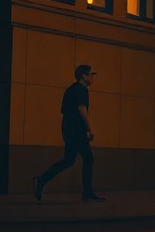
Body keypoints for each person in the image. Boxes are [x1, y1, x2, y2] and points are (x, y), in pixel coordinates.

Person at [34, 64, 104, 202]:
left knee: (68, 160)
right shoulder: (81, 90)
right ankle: (87, 192)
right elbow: (82, 108)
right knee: (88, 158)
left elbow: (64, 110)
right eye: (91, 74)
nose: (92, 77)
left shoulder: (71, 89)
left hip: (68, 129)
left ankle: (41, 180)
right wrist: (90, 128)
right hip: (76, 130)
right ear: (84, 75)